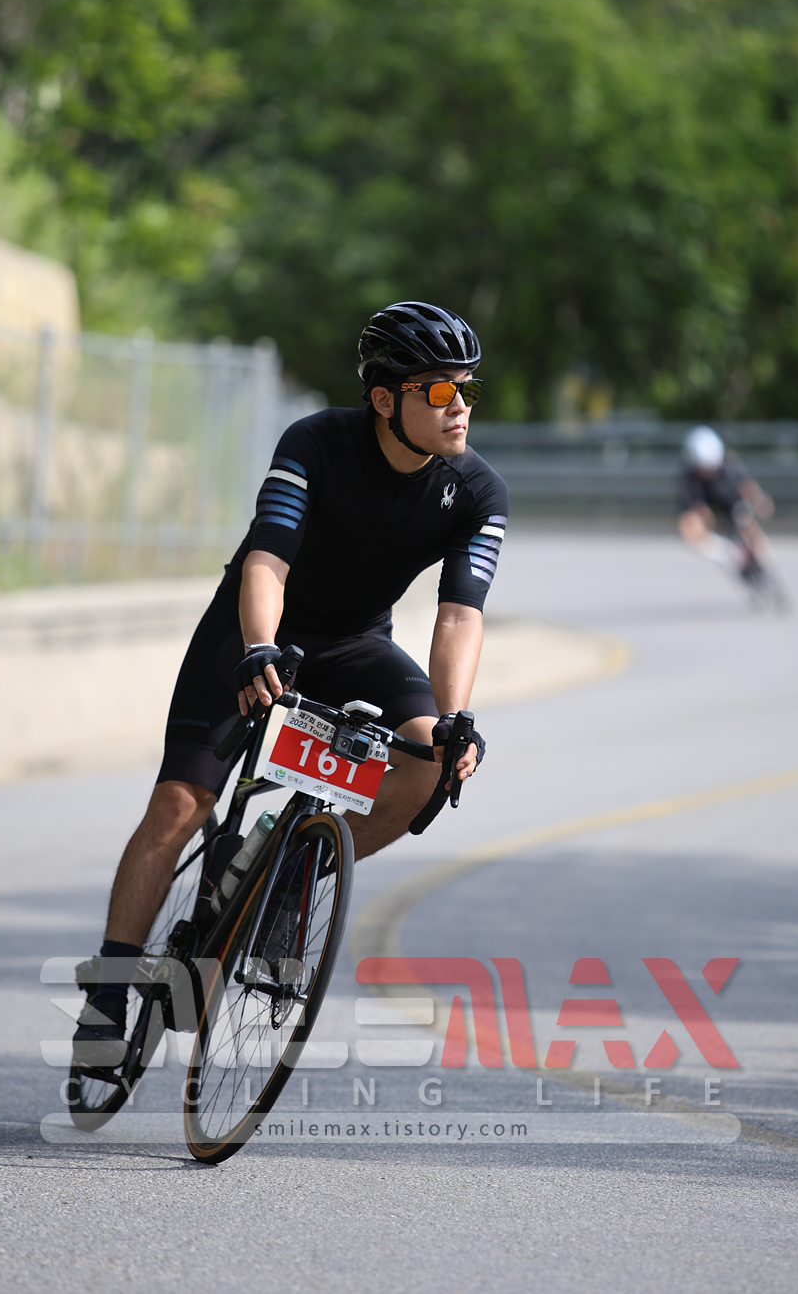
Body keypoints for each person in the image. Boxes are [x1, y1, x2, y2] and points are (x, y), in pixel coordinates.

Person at [74, 301, 508, 1052]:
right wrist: (259, 648)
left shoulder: (477, 491)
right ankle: (108, 996)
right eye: (439, 390)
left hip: (357, 645)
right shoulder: (316, 441)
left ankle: (289, 880)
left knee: (431, 761)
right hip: (252, 631)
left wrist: (453, 718)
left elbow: (460, 615)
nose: (459, 406)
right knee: (181, 803)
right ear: (385, 399)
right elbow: (267, 558)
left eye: (465, 388)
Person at [676, 425, 788, 609]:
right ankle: (732, 558)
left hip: (733, 506)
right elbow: (695, 507)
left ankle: (770, 567)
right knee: (692, 530)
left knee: (748, 523)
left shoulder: (729, 465)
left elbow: (747, 487)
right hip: (713, 515)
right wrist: (705, 524)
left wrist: (759, 503)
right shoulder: (690, 478)